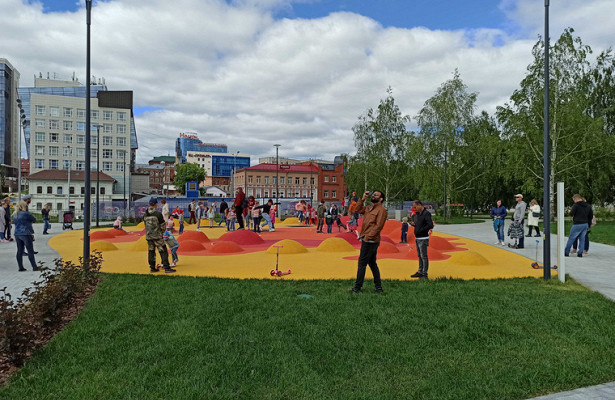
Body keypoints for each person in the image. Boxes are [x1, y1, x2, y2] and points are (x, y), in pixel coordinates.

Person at [351, 190, 387, 293]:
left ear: (381, 199)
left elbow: (378, 226)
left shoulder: (381, 210)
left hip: (371, 241)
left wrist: (368, 237)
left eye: (376, 195)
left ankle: (357, 288)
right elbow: (357, 210)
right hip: (367, 239)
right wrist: (362, 198)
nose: (374, 195)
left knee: (362, 263)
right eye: (373, 194)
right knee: (372, 263)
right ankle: (378, 288)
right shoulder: (369, 208)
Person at [143, 199, 175, 273]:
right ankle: (166, 267)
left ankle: (152, 268)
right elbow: (163, 226)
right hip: (157, 236)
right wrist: (162, 233)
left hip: (149, 236)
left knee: (151, 251)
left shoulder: (145, 214)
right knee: (163, 251)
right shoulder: (158, 214)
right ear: (156, 204)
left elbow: (145, 224)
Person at [410, 200, 434, 279]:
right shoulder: (418, 214)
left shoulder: (426, 213)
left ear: (420, 205)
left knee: (424, 256)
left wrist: (421, 230)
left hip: (423, 238)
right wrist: (415, 225)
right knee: (419, 255)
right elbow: (419, 224)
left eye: (415, 207)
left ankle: (424, 273)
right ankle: (420, 271)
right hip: (417, 237)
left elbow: (430, 225)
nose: (414, 208)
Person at [12, 200, 38, 272]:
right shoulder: (26, 214)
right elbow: (34, 219)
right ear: (24, 206)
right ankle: (34, 267)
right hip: (26, 233)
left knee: (19, 250)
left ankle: (20, 267)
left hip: (17, 233)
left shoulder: (15, 214)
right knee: (30, 251)